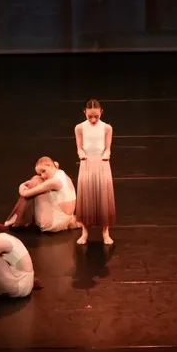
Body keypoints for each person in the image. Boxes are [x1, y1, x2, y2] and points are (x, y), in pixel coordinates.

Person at [74, 99, 116, 245]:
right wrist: (81, 153)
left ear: (101, 112)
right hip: (86, 162)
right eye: (90, 116)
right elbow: (79, 147)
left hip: (101, 161)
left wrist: (107, 154)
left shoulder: (107, 128)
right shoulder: (79, 127)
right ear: (84, 112)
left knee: (103, 195)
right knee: (86, 195)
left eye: (96, 117)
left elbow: (108, 147)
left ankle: (106, 232)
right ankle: (84, 232)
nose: (93, 120)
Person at [4, 157, 79, 232]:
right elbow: (55, 163)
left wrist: (21, 186)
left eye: (43, 171)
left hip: (53, 223)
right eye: (40, 173)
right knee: (37, 179)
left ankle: (16, 218)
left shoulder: (55, 182)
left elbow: (26, 194)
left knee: (36, 180)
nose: (43, 175)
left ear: (50, 165)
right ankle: (17, 218)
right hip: (64, 218)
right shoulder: (60, 172)